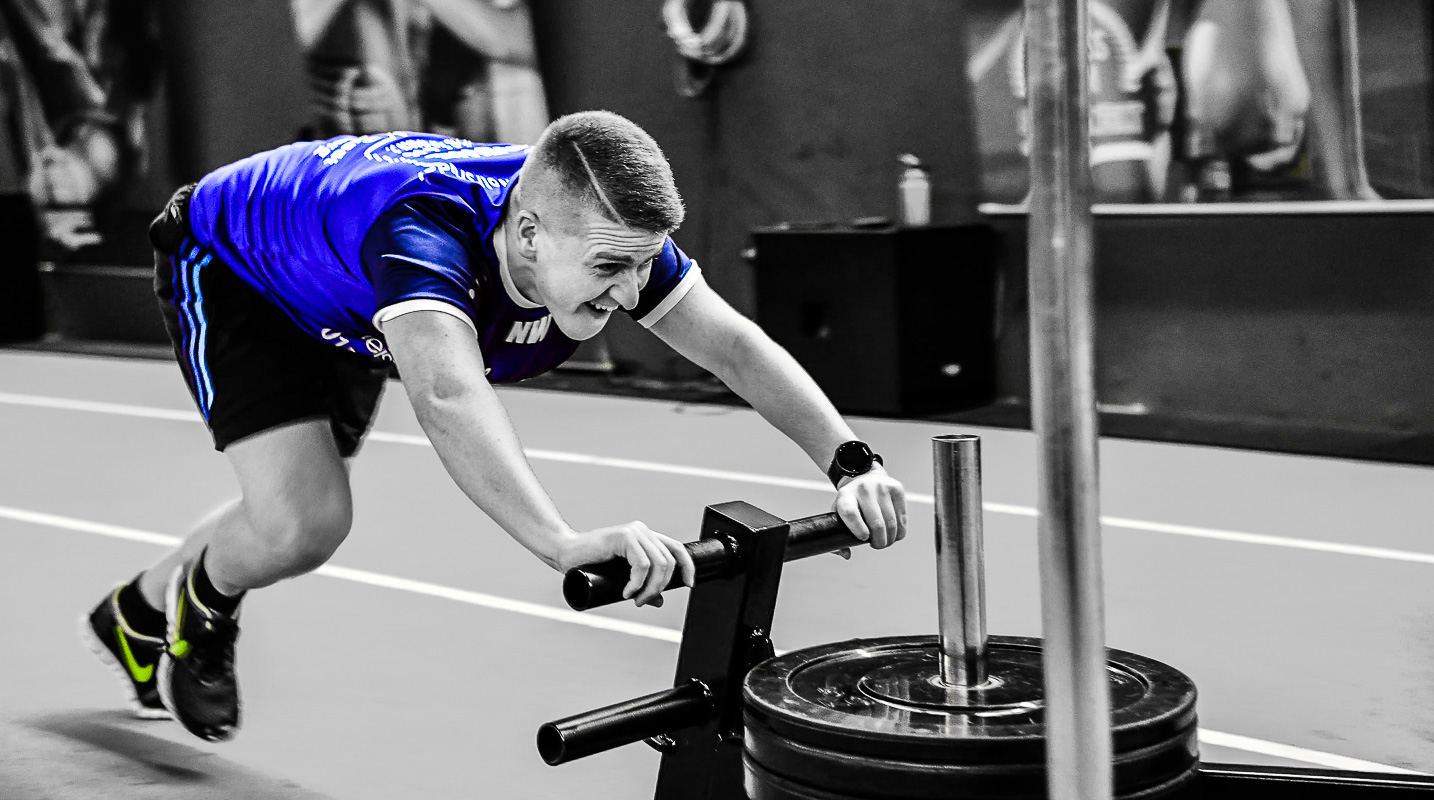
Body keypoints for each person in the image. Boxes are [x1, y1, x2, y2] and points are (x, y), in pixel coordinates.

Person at [79, 110, 909, 742]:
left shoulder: (597, 229)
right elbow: (448, 395)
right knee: (305, 521)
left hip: (338, 283)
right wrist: (561, 542)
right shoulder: (420, 237)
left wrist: (850, 461)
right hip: (239, 270)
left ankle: (135, 615)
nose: (628, 296)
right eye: (609, 270)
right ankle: (204, 598)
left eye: (639, 266)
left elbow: (733, 346)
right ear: (527, 232)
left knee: (289, 505)